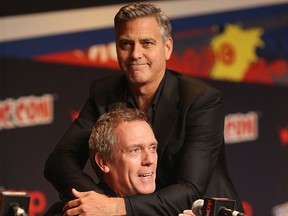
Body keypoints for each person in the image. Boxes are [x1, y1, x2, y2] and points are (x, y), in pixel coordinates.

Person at [44, 2, 244, 216]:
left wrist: (117, 208)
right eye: (125, 44)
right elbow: (60, 161)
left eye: (147, 43)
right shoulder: (105, 93)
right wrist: (100, 203)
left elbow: (190, 191)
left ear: (167, 48)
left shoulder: (201, 100)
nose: (135, 54)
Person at [45, 105, 158, 215]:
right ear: (104, 162)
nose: (150, 160)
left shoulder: (166, 210)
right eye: (135, 150)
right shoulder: (77, 211)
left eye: (152, 148)